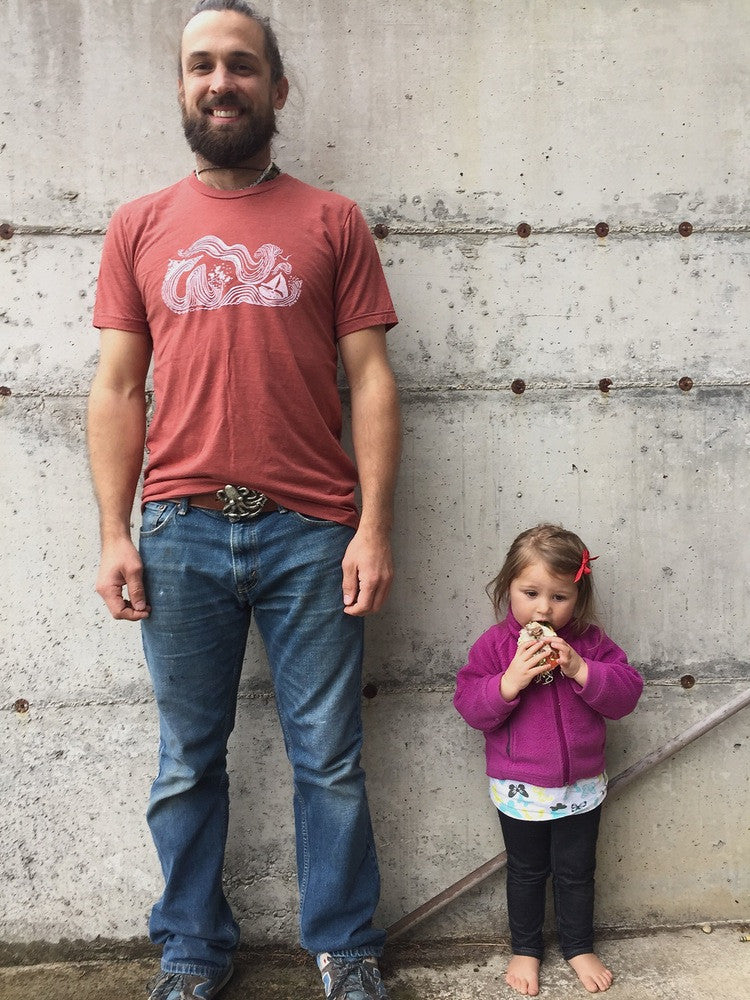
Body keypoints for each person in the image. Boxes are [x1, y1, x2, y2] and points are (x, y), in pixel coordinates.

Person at [87, 3, 400, 999]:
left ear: (277, 86)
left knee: (330, 759)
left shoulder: (331, 221)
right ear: (183, 88)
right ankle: (191, 948)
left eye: (240, 65)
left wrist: (373, 527)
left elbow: (374, 380)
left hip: (312, 529)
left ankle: (346, 948)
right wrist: (113, 532)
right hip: (177, 527)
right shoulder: (138, 224)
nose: (220, 81)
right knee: (186, 760)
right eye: (200, 67)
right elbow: (114, 388)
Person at [454, 524, 643, 997]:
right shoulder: (496, 646)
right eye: (531, 593)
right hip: (520, 787)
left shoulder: (592, 642)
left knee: (578, 872)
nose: (543, 608)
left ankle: (579, 946)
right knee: (526, 871)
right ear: (507, 590)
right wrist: (509, 681)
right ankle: (526, 948)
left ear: (578, 597)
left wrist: (580, 668)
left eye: (559, 596)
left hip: (581, 785)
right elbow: (471, 707)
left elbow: (625, 696)